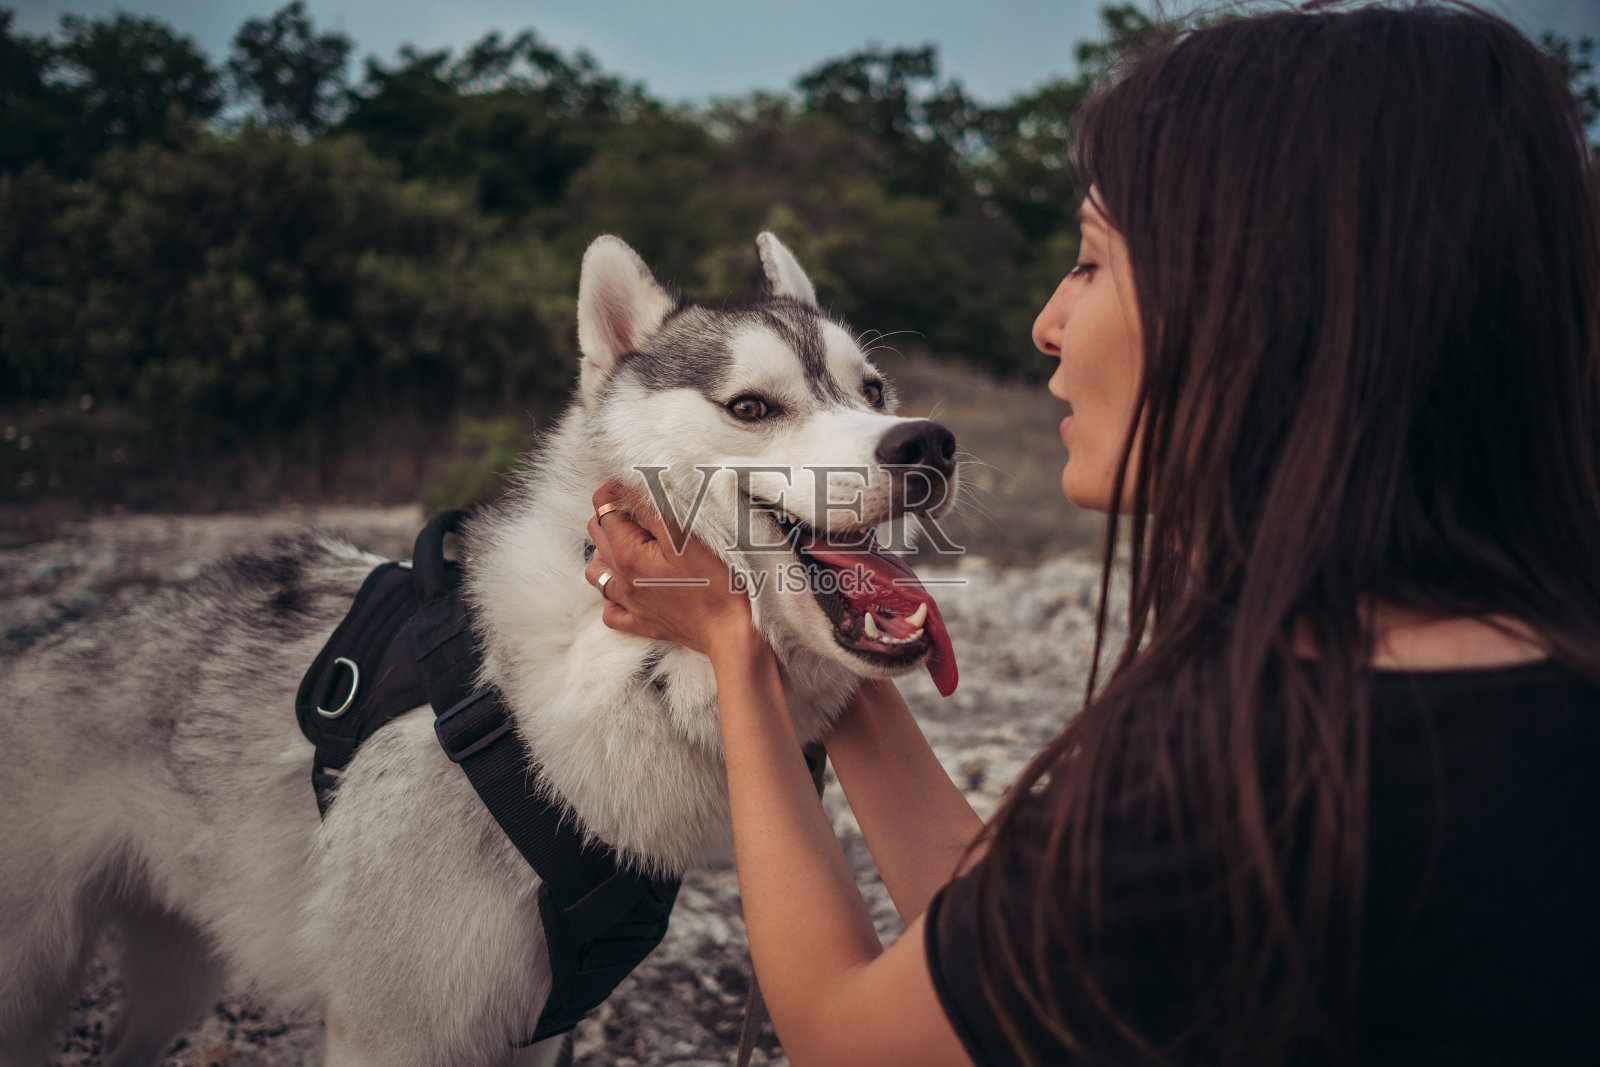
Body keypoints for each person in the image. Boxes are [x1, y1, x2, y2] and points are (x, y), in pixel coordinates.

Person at [582, 3, 1600, 1064]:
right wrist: (834, 624)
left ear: (1267, 301)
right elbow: (1034, 946)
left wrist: (738, 656)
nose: (1047, 324)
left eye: (1090, 261)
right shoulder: (1530, 679)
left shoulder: (1245, 765)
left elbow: (853, 1040)